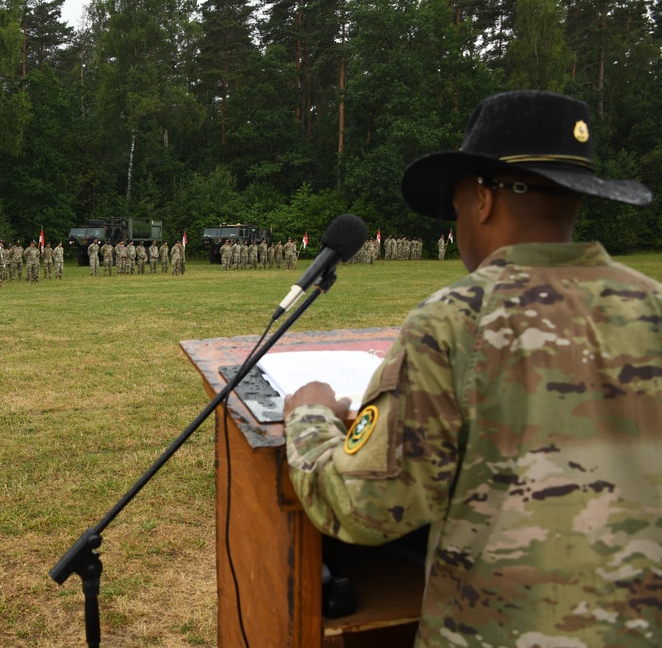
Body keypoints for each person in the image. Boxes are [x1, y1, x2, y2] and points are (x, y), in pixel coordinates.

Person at [283, 91, 660, 647]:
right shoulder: (653, 306)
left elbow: (364, 508)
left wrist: (310, 414)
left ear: (482, 200)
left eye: (456, 208)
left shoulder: (457, 320)